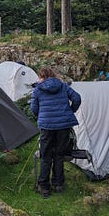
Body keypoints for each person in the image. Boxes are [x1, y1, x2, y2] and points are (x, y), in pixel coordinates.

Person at [30, 67, 81, 198]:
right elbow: (77, 98)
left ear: (41, 76)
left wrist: (41, 116)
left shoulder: (38, 89)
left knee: (45, 156)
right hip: (63, 125)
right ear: (52, 75)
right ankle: (58, 184)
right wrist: (70, 111)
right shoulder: (63, 86)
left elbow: (33, 108)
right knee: (59, 154)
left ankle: (44, 187)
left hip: (46, 126)